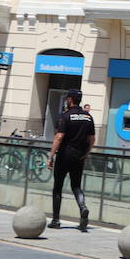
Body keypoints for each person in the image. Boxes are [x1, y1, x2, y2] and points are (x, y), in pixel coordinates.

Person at [48, 90, 95, 231]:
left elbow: (59, 137)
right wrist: (85, 154)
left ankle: (56, 220)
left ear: (69, 100)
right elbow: (92, 140)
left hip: (64, 155)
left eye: (67, 99)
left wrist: (51, 156)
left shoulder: (66, 116)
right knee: (76, 186)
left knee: (58, 187)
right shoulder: (88, 117)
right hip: (79, 156)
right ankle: (83, 207)